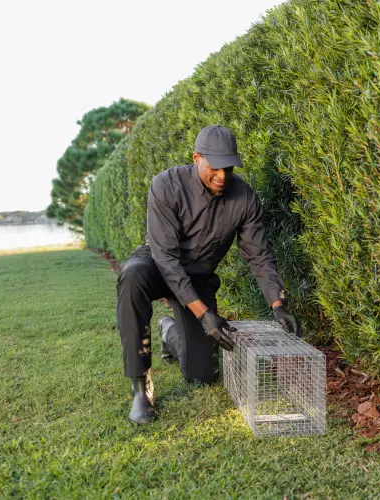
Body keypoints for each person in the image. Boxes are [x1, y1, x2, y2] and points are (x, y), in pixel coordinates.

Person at [116, 125, 301, 424]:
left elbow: (259, 255)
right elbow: (166, 258)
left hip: (198, 276)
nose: (222, 176)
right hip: (158, 265)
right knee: (132, 275)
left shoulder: (245, 198)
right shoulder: (165, 185)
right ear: (197, 157)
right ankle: (141, 388)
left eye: (228, 167)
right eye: (214, 166)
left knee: (202, 375)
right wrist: (204, 315)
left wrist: (277, 304)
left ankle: (169, 332)